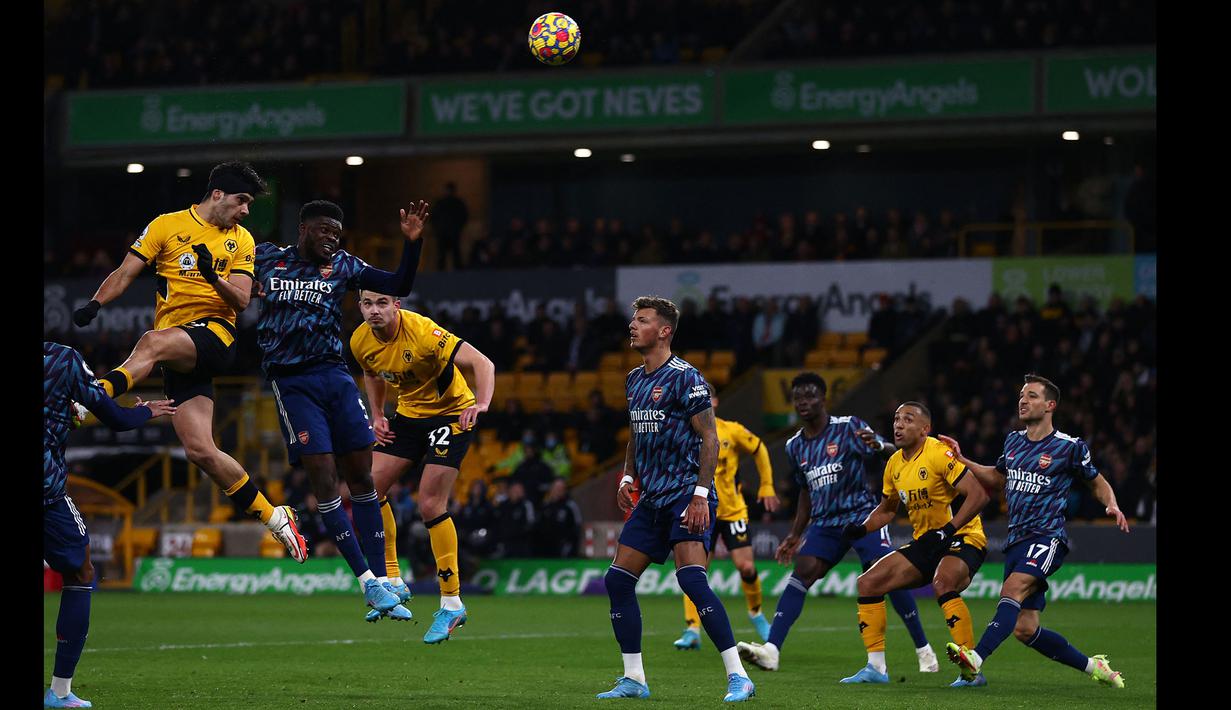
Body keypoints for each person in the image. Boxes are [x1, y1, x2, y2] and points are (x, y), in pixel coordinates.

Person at [70, 161, 307, 562]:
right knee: (201, 451)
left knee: (150, 343)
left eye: (249, 202)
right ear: (217, 194)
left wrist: (212, 277)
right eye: (241, 200)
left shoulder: (241, 241)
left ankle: (89, 398)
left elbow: (243, 299)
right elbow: (125, 273)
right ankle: (274, 516)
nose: (246, 210)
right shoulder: (166, 226)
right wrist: (94, 304)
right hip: (180, 346)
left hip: (216, 335)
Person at [249, 199, 429, 622]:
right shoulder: (265, 258)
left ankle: (383, 580)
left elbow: (399, 281)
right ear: (304, 228)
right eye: (325, 230)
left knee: (363, 478)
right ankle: (367, 581)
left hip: (335, 377)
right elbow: (228, 276)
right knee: (325, 480)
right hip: (292, 382)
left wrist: (413, 244)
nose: (332, 237)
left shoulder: (345, 266)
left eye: (337, 231)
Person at [596, 295, 755, 702]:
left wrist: (701, 496)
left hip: (686, 494)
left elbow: (710, 437)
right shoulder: (634, 379)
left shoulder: (688, 377)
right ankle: (634, 678)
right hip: (651, 498)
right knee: (617, 580)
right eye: (633, 319)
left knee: (691, 579)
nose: (632, 325)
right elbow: (636, 433)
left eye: (642, 320)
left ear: (664, 331)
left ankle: (738, 676)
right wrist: (628, 475)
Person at [737, 374, 938, 677]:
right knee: (802, 572)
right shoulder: (794, 446)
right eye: (798, 397)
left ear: (824, 399)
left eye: (810, 396)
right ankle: (772, 651)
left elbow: (894, 454)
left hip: (861, 517)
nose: (803, 402)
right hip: (825, 523)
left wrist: (880, 445)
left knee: (884, 576)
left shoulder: (849, 427)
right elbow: (805, 491)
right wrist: (794, 534)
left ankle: (924, 650)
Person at [941, 374, 1129, 688]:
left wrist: (1111, 504)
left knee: (1011, 589)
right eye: (1021, 396)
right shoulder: (1013, 441)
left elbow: (1096, 481)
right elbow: (997, 478)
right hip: (1016, 540)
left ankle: (975, 659)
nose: (1023, 401)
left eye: (1031, 396)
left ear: (1050, 405)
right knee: (1025, 629)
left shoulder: (1068, 447)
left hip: (1047, 536)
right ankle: (1094, 667)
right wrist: (962, 460)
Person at [350, 286, 495, 641]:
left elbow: (483, 363)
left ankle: (451, 604)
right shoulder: (359, 340)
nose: (374, 311)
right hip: (409, 417)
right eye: (368, 303)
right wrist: (377, 413)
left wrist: (482, 404)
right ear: (360, 306)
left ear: (396, 306)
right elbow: (372, 371)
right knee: (369, 488)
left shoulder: (423, 332)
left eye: (382, 303)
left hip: (451, 416)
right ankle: (393, 579)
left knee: (429, 504)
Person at [44, 342, 176, 708]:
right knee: (81, 573)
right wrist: (146, 412)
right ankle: (59, 692)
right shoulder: (61, 359)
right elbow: (115, 418)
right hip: (46, 495)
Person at [840, 401, 990, 686]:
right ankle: (876, 668)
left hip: (963, 536)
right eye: (896, 419)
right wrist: (861, 528)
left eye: (907, 419)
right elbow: (886, 510)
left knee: (943, 581)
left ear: (925, 429)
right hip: (927, 542)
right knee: (868, 583)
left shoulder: (938, 453)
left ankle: (972, 671)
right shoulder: (894, 463)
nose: (898, 424)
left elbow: (979, 494)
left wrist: (948, 530)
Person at [674, 384, 780, 650]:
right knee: (695, 571)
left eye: (707, 396)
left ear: (716, 401)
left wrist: (767, 485)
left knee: (746, 567)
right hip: (700, 511)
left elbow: (759, 448)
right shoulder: (684, 432)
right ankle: (692, 630)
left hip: (732, 511)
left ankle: (756, 614)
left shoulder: (731, 430)